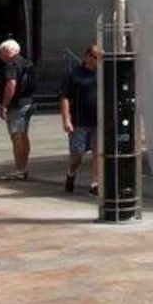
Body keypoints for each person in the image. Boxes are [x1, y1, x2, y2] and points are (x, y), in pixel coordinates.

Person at [61, 42, 100, 195]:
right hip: (79, 121)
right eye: (96, 57)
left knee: (98, 152)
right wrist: (66, 119)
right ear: (87, 57)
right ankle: (71, 172)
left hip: (98, 121)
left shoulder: (103, 73)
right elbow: (64, 98)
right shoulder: (74, 74)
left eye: (100, 58)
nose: (98, 60)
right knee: (77, 153)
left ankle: (95, 184)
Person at [0, 38, 37, 180]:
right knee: (24, 135)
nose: (0, 56)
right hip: (28, 101)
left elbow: (11, 85)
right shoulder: (27, 62)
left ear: (9, 51)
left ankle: (20, 169)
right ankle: (23, 167)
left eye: (1, 52)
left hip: (16, 104)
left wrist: (4, 105)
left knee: (16, 135)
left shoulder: (11, 64)